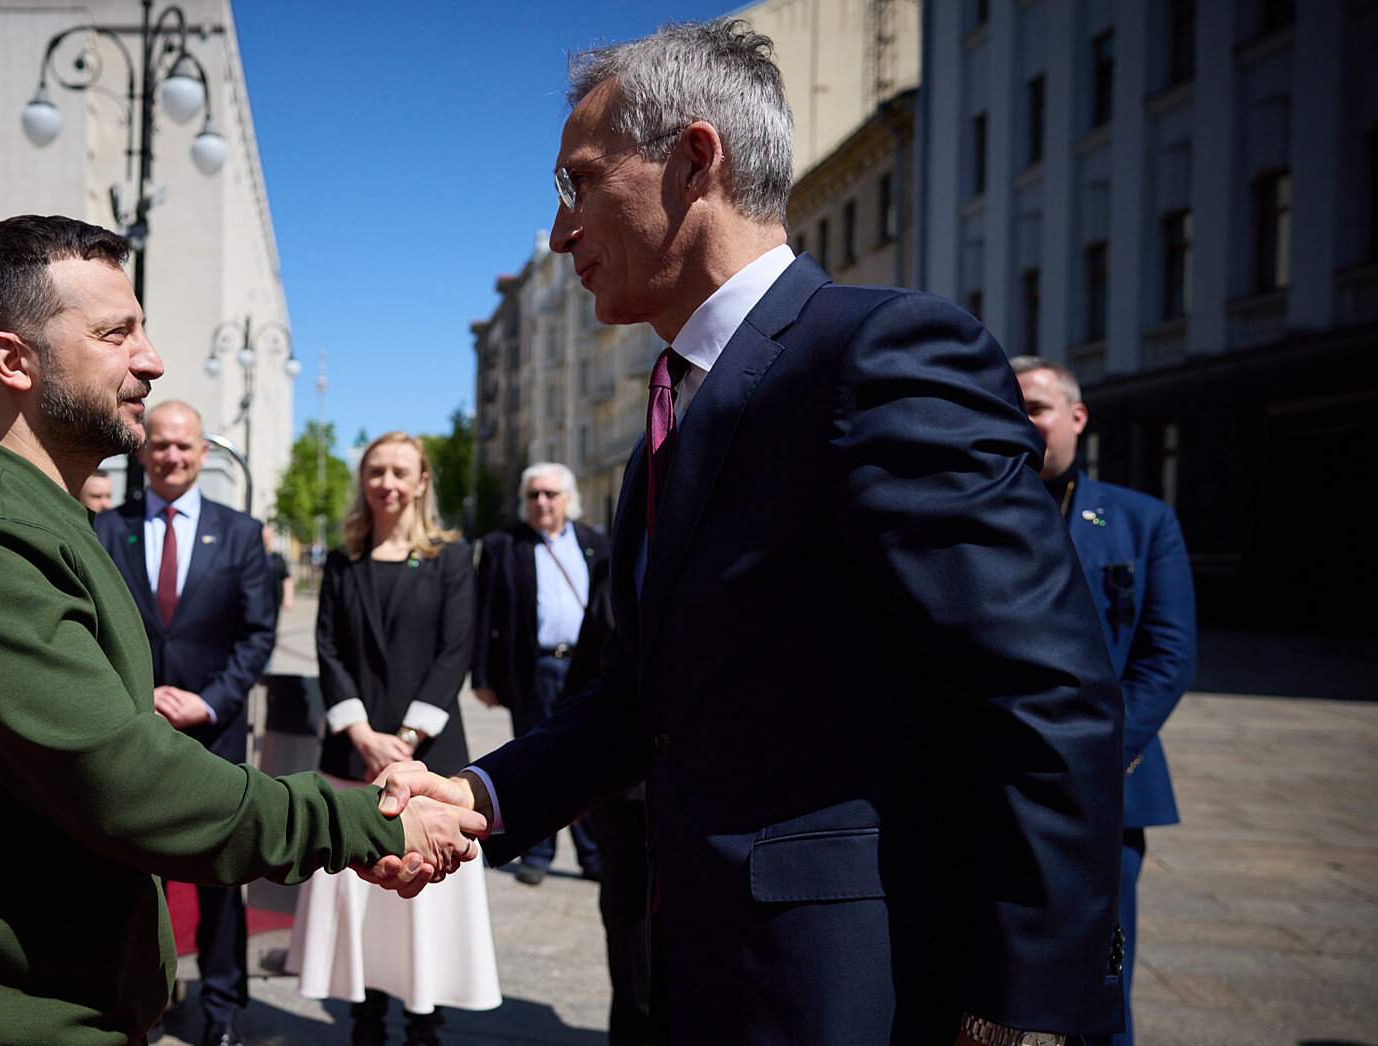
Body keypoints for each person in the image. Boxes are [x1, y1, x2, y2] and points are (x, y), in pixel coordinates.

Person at [375, 20, 1125, 1045]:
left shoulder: (879, 354)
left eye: (577, 184)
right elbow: (643, 697)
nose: (560, 233)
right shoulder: (669, 417)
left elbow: (1045, 689)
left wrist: (1021, 1012)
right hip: (702, 976)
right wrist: (478, 788)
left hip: (859, 991)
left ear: (694, 159)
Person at [0, 215, 481, 1046]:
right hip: (11, 1022)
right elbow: (128, 782)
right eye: (117, 334)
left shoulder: (38, 514)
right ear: (13, 360)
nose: (151, 360)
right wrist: (363, 823)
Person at [288, 432, 500, 1046]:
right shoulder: (343, 558)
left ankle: (424, 1016)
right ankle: (365, 1012)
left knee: (424, 890)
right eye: (376, 471)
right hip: (353, 753)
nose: (387, 483)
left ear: (422, 481)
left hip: (429, 758)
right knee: (360, 888)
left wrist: (403, 739)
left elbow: (454, 651)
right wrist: (361, 733)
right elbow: (327, 649)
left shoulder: (450, 558)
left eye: (400, 472)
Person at [1013, 357, 1198, 1046]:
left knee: (1102, 971)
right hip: (996, 785)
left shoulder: (1143, 522)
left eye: (1035, 407)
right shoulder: (977, 512)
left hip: (1106, 794)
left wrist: (1094, 754)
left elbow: (1167, 659)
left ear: (1077, 418)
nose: (1023, 423)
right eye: (1011, 408)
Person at [92, 400, 277, 1046]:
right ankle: (145, 997)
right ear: (143, 453)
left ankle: (222, 1004)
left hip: (213, 733)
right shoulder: (106, 530)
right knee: (139, 876)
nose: (171, 457)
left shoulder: (241, 534)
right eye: (160, 446)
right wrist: (134, 699)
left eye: (184, 447)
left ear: (203, 455)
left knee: (222, 876)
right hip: (133, 733)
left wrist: (211, 700)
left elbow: (256, 636)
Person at [470, 461, 609, 885]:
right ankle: (538, 852)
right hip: (533, 670)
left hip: (588, 669)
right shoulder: (504, 545)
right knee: (534, 759)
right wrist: (482, 676)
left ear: (569, 500)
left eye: (551, 494)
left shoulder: (593, 542)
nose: (542, 502)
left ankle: (592, 854)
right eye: (534, 495)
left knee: (591, 759)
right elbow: (483, 614)